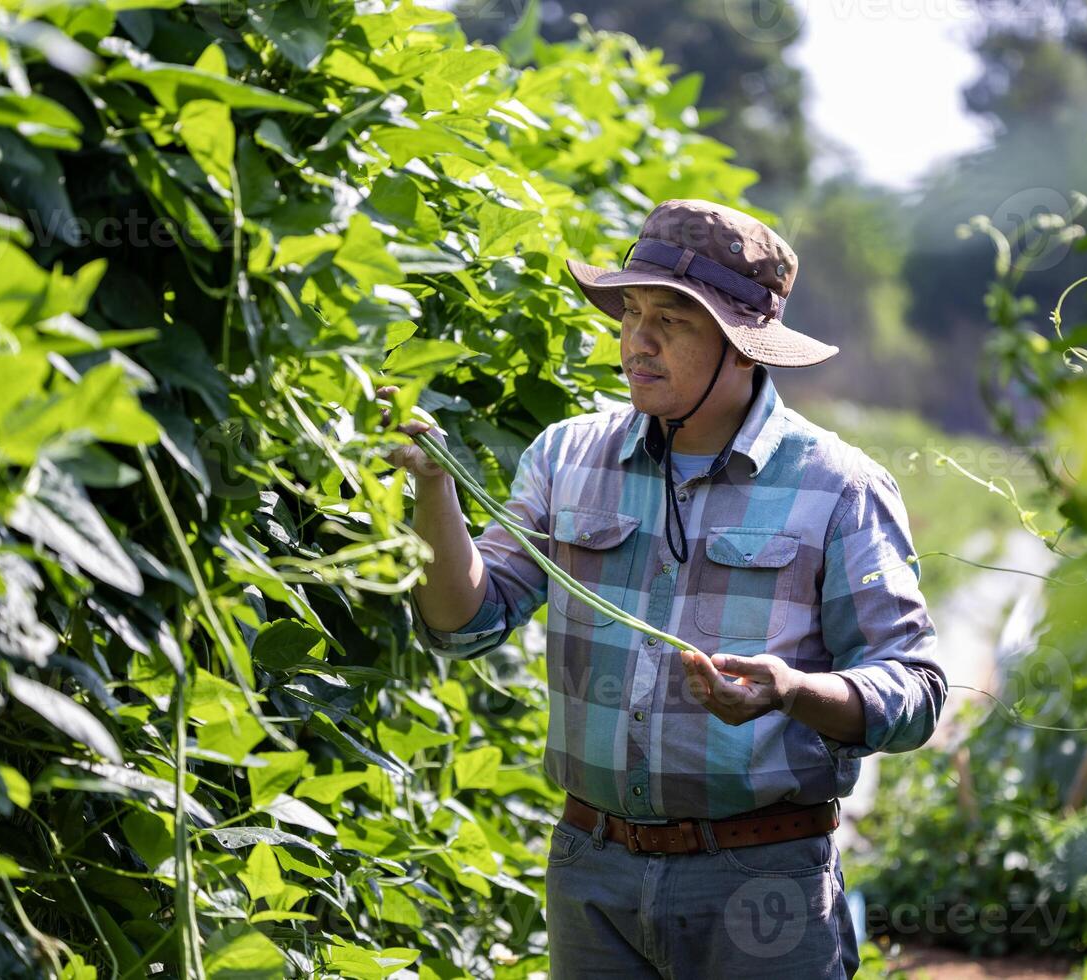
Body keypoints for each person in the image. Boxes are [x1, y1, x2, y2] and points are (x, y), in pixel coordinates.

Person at [379, 199, 946, 979]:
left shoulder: (837, 487)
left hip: (761, 878)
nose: (636, 341)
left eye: (672, 321)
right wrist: (435, 492)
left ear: (745, 348)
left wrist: (792, 691)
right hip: (592, 871)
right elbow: (463, 622)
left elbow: (914, 690)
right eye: (631, 311)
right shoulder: (567, 457)